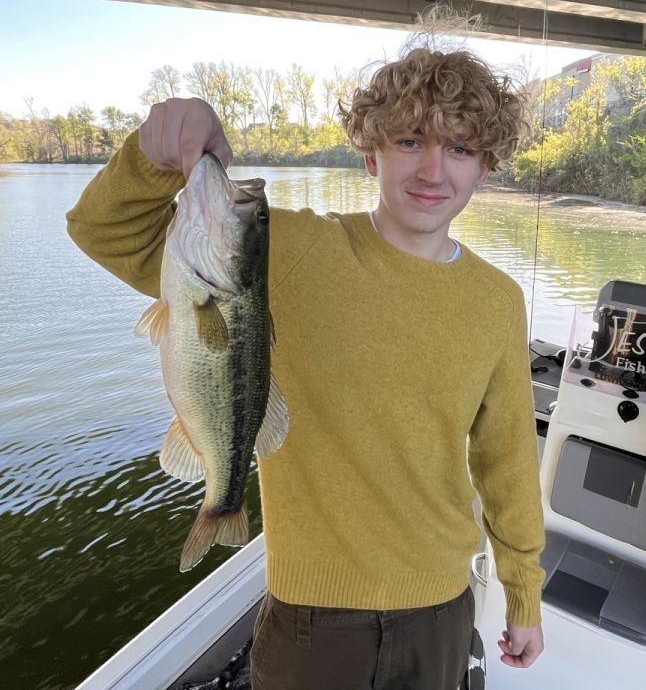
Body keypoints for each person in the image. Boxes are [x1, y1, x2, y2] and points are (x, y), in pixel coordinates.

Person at [66, 48, 545, 690]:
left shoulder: (497, 300)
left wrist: (523, 594)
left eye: (460, 149)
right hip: (310, 619)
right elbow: (105, 230)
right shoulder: (281, 250)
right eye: (410, 140)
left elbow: (507, 461)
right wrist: (155, 152)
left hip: (440, 606)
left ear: (485, 168)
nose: (434, 170)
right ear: (372, 154)